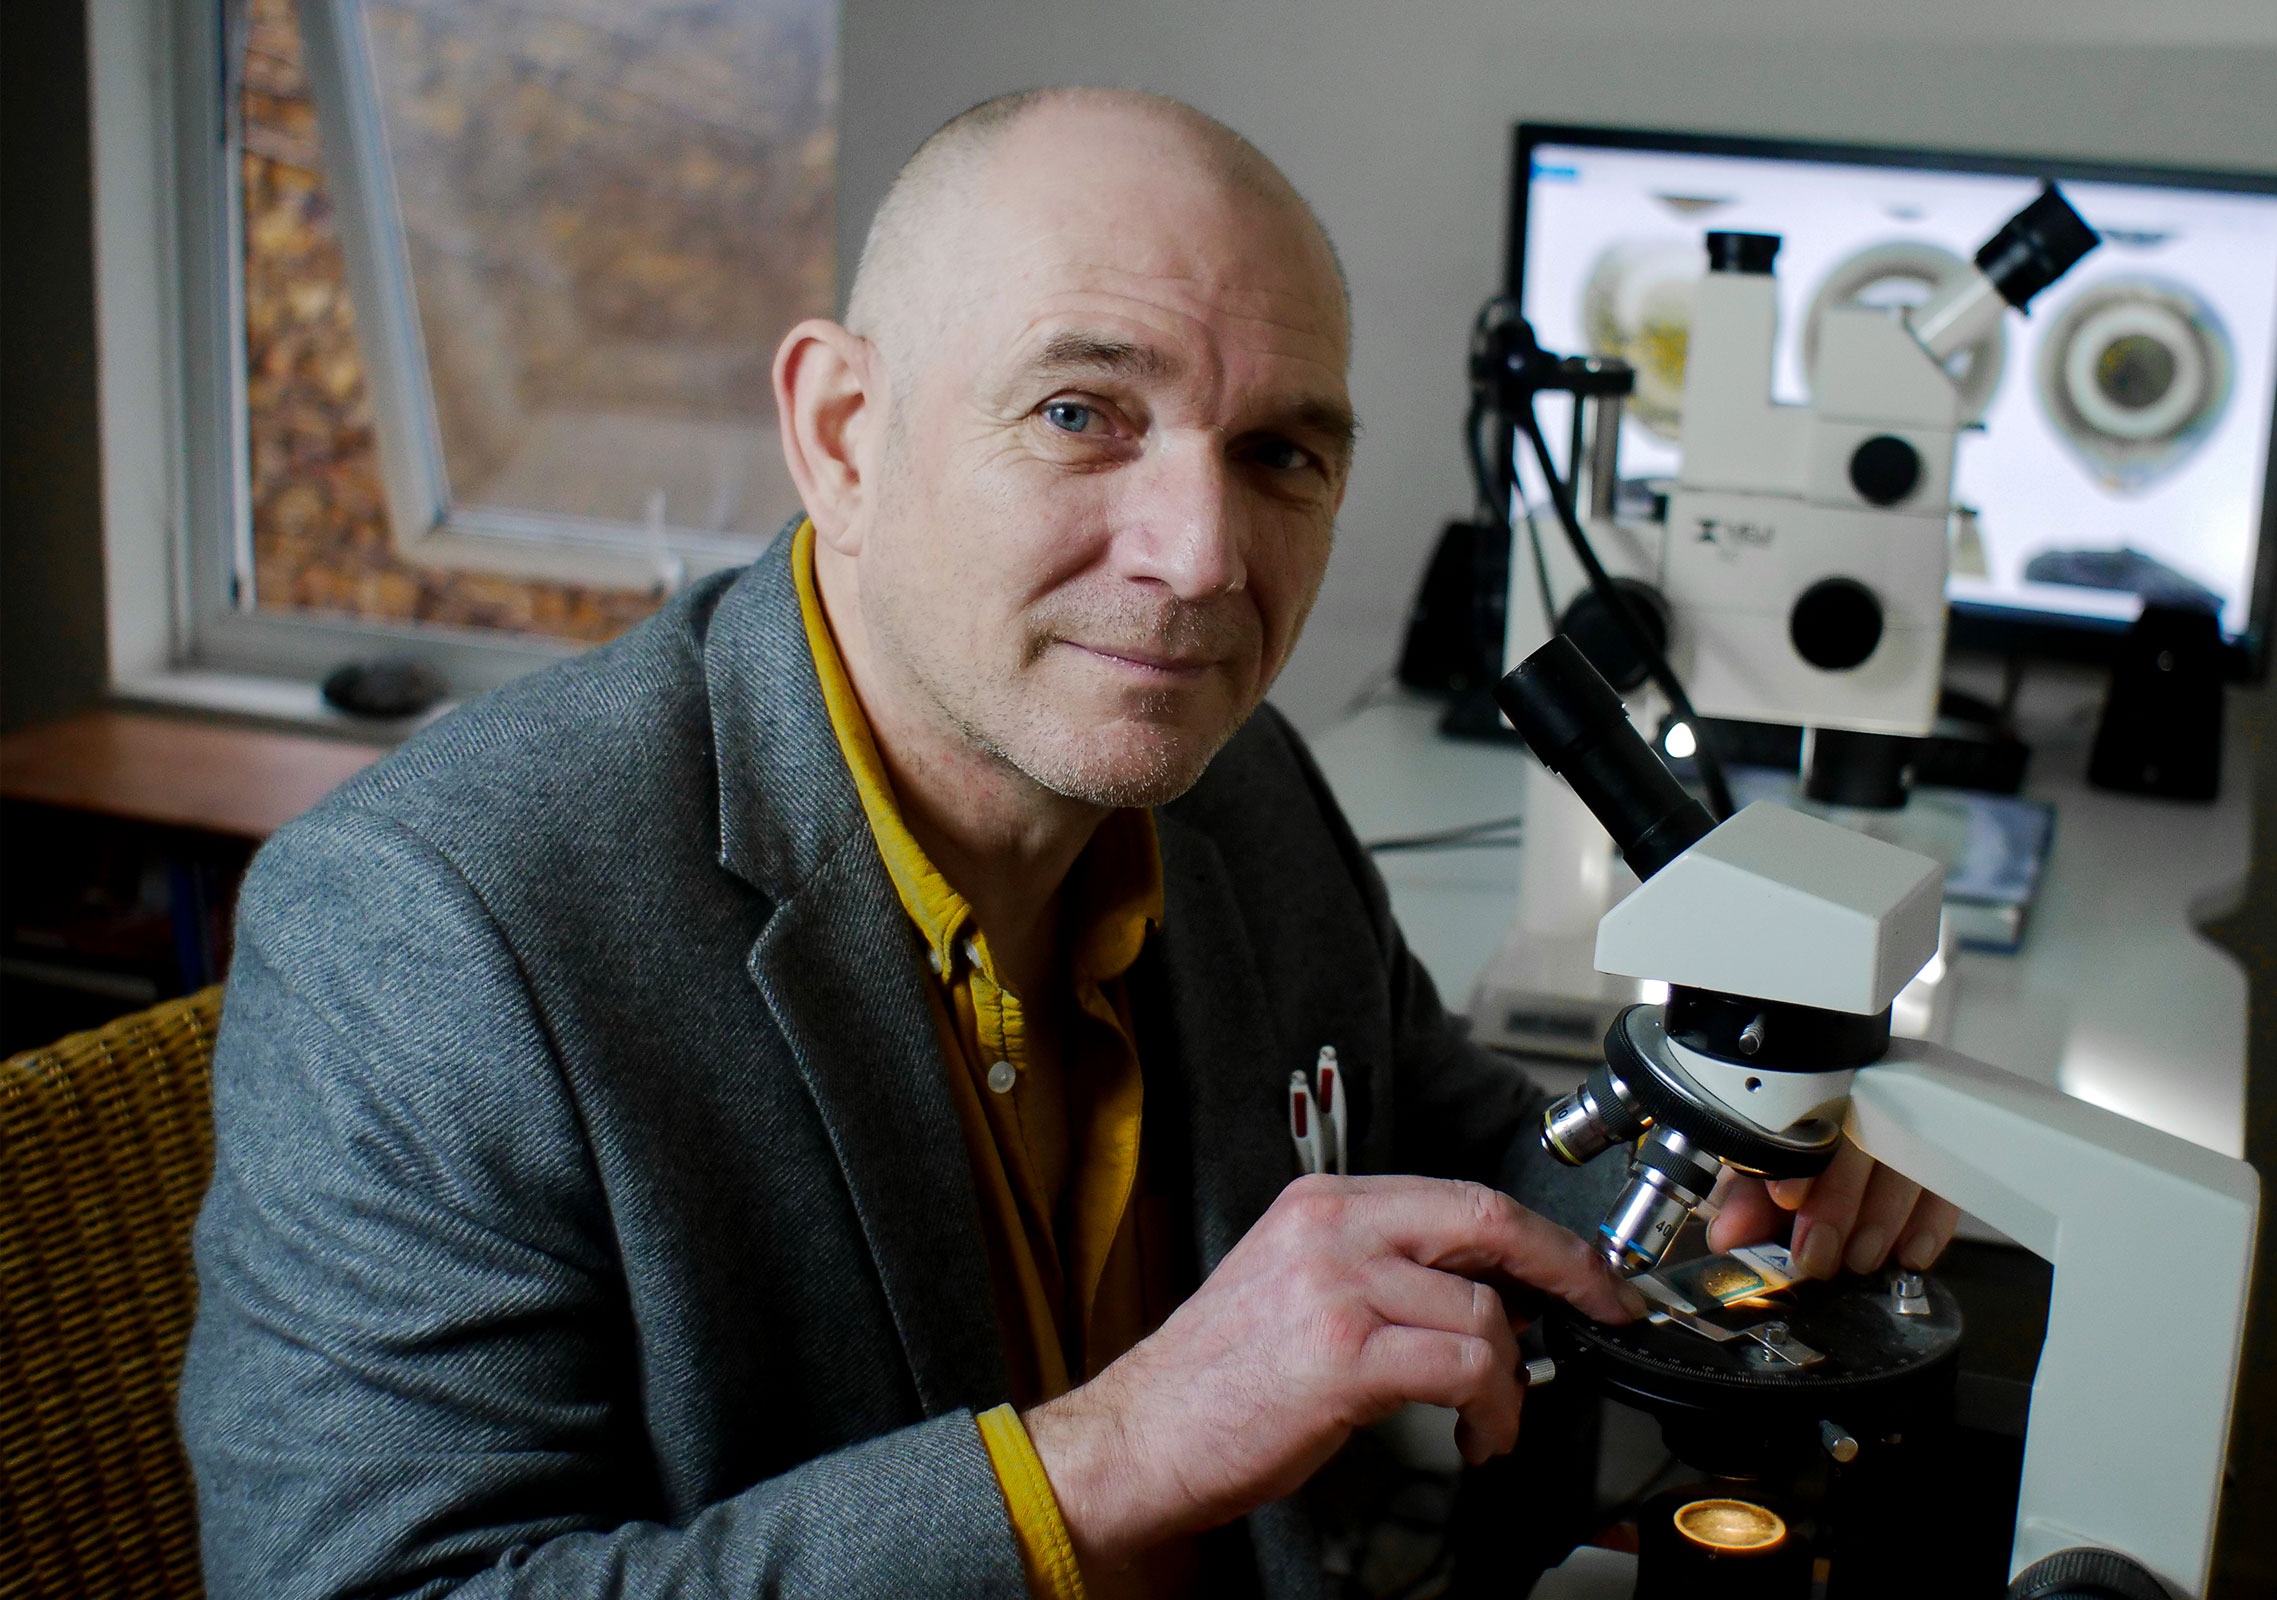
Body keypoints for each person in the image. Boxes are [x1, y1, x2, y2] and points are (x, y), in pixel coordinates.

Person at [182, 87, 1956, 1599]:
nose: (1198, 558)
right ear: (842, 436)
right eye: (1078, 413)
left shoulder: (1231, 783)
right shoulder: (432, 929)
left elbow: (1466, 1145)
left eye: (1279, 455)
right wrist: (1104, 1457)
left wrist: (1728, 1212)